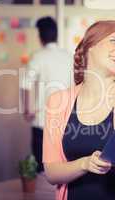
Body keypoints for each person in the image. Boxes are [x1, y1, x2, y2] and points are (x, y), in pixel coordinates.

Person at [43, 20, 115, 200]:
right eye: (114, 41)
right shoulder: (58, 102)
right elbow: (51, 173)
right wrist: (84, 164)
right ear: (90, 45)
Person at [20, 16, 73, 172]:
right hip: (65, 123)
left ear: (40, 36)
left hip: (42, 123)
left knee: (42, 168)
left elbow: (25, 84)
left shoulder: (38, 56)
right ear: (56, 35)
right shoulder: (69, 57)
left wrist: (27, 110)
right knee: (63, 167)